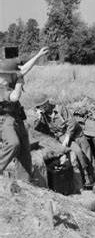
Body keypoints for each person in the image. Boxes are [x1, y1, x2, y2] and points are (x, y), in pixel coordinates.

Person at [0, 47, 49, 183]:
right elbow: (14, 97)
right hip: (4, 121)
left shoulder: (9, 79)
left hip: (17, 119)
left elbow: (23, 70)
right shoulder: (3, 86)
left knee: (25, 154)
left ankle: (25, 182)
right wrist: (19, 83)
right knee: (13, 144)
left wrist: (38, 55)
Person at [33, 95, 94, 188]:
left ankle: (94, 175)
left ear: (47, 103)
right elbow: (37, 130)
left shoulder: (60, 109)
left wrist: (68, 137)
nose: (41, 108)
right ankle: (85, 176)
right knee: (78, 152)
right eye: (39, 107)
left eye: (42, 105)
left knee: (88, 152)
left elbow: (72, 123)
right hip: (62, 135)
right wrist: (39, 118)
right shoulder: (43, 116)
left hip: (76, 133)